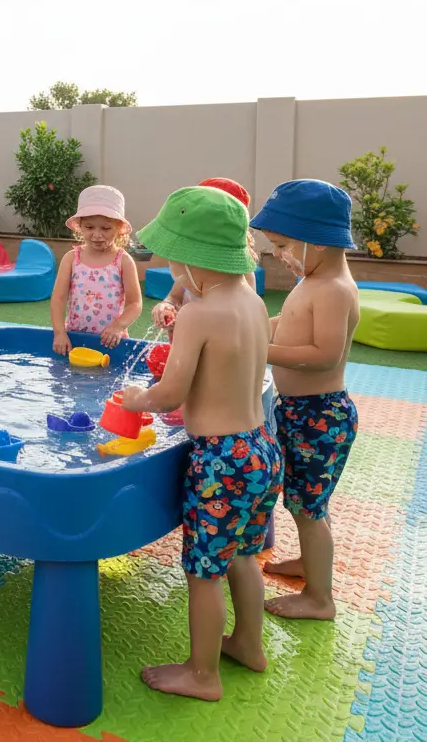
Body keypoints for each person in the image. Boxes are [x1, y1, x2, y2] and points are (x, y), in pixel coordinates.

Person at [120, 186, 282, 701]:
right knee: (243, 555)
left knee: (204, 571)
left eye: (173, 259)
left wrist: (135, 399)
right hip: (260, 447)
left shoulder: (197, 312)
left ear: (195, 261)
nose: (171, 270)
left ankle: (202, 673)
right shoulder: (255, 303)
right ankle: (248, 646)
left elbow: (172, 389)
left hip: (221, 461)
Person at [250, 179, 360, 621]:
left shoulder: (333, 288)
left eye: (282, 244)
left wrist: (261, 351)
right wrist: (252, 328)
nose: (279, 253)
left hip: (320, 416)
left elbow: (324, 354)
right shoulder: (312, 279)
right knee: (304, 502)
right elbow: (288, 322)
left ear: (315, 241)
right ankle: (309, 566)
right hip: (300, 413)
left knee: (310, 509)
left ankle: (320, 598)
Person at [152, 178, 258, 335]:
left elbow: (241, 326)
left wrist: (189, 323)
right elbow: (174, 296)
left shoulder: (243, 279)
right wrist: (166, 305)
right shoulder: (189, 270)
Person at [52, 185, 142, 352]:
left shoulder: (123, 261)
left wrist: (118, 326)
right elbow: (58, 298)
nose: (97, 234)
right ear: (80, 225)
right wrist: (59, 333)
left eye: (106, 228)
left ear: (119, 228)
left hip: (111, 340)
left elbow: (135, 303)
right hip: (74, 337)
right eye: (89, 227)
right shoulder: (71, 259)